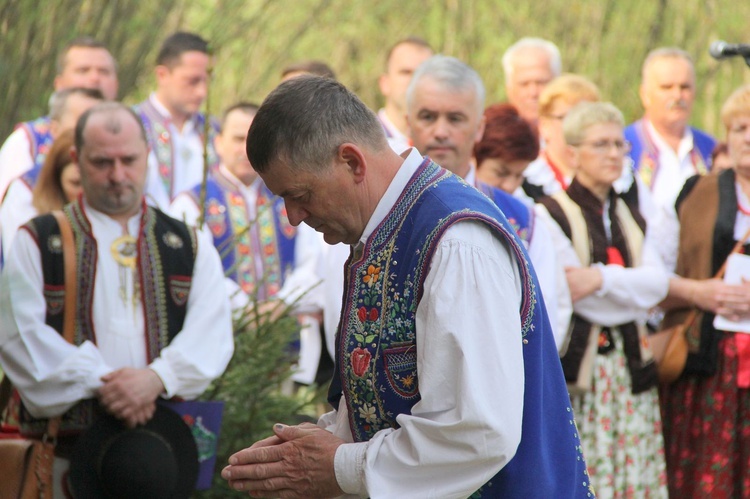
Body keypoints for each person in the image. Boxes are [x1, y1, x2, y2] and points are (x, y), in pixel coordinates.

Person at [220, 75, 591, 497]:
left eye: (300, 194)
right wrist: (309, 449)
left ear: (352, 162)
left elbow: (477, 433)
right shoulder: (384, 232)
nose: (293, 217)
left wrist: (339, 464)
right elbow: (387, 399)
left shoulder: (455, 242)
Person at [0, 102, 233, 496]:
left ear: (147, 156)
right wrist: (100, 381)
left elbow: (212, 332)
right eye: (101, 162)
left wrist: (156, 378)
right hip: (62, 462)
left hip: (157, 462)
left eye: (128, 160)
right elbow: (17, 335)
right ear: (76, 159)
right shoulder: (38, 241)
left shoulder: (188, 244)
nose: (117, 175)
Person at [536, 101, 669, 496]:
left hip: (631, 372)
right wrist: (626, 288)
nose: (614, 154)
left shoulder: (630, 210)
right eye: (601, 145)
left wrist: (599, 277)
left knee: (634, 475)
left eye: (619, 144)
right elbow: (574, 297)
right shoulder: (548, 214)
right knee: (590, 473)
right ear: (573, 152)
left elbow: (658, 285)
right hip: (585, 377)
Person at [406, 55, 570, 349]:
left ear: (479, 128)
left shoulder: (522, 222)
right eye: (428, 117)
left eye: (455, 118)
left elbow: (545, 325)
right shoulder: (378, 211)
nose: (440, 131)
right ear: (408, 123)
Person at [170, 102, 325, 384]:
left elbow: (312, 265)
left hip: (286, 338)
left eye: (253, 139)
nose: (245, 148)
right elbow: (194, 272)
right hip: (223, 343)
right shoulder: (192, 203)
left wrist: (280, 304)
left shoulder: (289, 196)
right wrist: (247, 311)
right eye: (237, 138)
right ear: (218, 143)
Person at [658, 84, 750, 497]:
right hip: (710, 359)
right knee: (705, 476)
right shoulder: (697, 192)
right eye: (739, 127)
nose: (747, 136)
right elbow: (659, 271)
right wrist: (700, 291)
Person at [474, 102, 573, 348]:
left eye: (519, 176)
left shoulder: (526, 218)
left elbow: (552, 300)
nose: (509, 185)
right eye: (500, 172)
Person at [0, 36, 118, 199]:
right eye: (83, 70)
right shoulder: (27, 141)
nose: (95, 78)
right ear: (59, 84)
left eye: (104, 71)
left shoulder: (134, 143)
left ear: (116, 84)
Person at [0, 87, 104, 264]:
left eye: (103, 123)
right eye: (83, 120)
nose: (94, 130)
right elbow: (20, 265)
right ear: (54, 129)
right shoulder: (27, 187)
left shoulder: (117, 181)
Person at [134, 31, 219, 210]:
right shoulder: (131, 125)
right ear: (162, 75)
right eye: (192, 81)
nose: (202, 92)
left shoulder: (216, 130)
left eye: (208, 81)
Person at [625, 48, 716, 212]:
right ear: (645, 94)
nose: (677, 96)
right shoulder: (623, 146)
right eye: (666, 87)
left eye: (685, 87)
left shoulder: (710, 149)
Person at [524, 73, 601, 196]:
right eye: (568, 118)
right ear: (544, 125)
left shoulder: (617, 177)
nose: (578, 126)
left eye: (587, 118)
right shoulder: (528, 182)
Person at [376, 36, 434, 153]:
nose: (415, 81)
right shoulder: (363, 141)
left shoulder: (443, 147)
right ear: (384, 83)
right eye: (406, 72)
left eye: (424, 74)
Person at [501, 37, 562, 128]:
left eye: (541, 82)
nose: (533, 93)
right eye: (524, 84)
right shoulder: (493, 138)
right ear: (508, 89)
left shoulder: (579, 136)